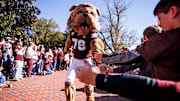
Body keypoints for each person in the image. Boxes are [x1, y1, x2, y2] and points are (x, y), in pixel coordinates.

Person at [77, 0, 180, 100]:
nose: (159, 24)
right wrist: (112, 70)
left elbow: (130, 57)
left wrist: (100, 74)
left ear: (173, 11)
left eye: (160, 18)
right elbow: (133, 64)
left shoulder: (167, 38)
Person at [97, 25, 162, 77]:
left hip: (152, 86)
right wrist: (114, 70)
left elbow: (125, 58)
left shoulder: (145, 51)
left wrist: (103, 57)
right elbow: (132, 64)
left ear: (144, 38)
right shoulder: (167, 48)